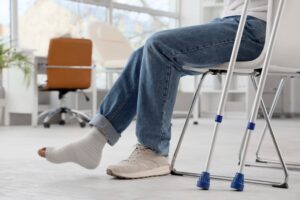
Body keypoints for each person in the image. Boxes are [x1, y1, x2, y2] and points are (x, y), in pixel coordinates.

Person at [38, 0, 268, 179]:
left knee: (159, 46)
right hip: (230, 21)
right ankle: (94, 140)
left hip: (256, 27)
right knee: (144, 53)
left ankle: (153, 151)